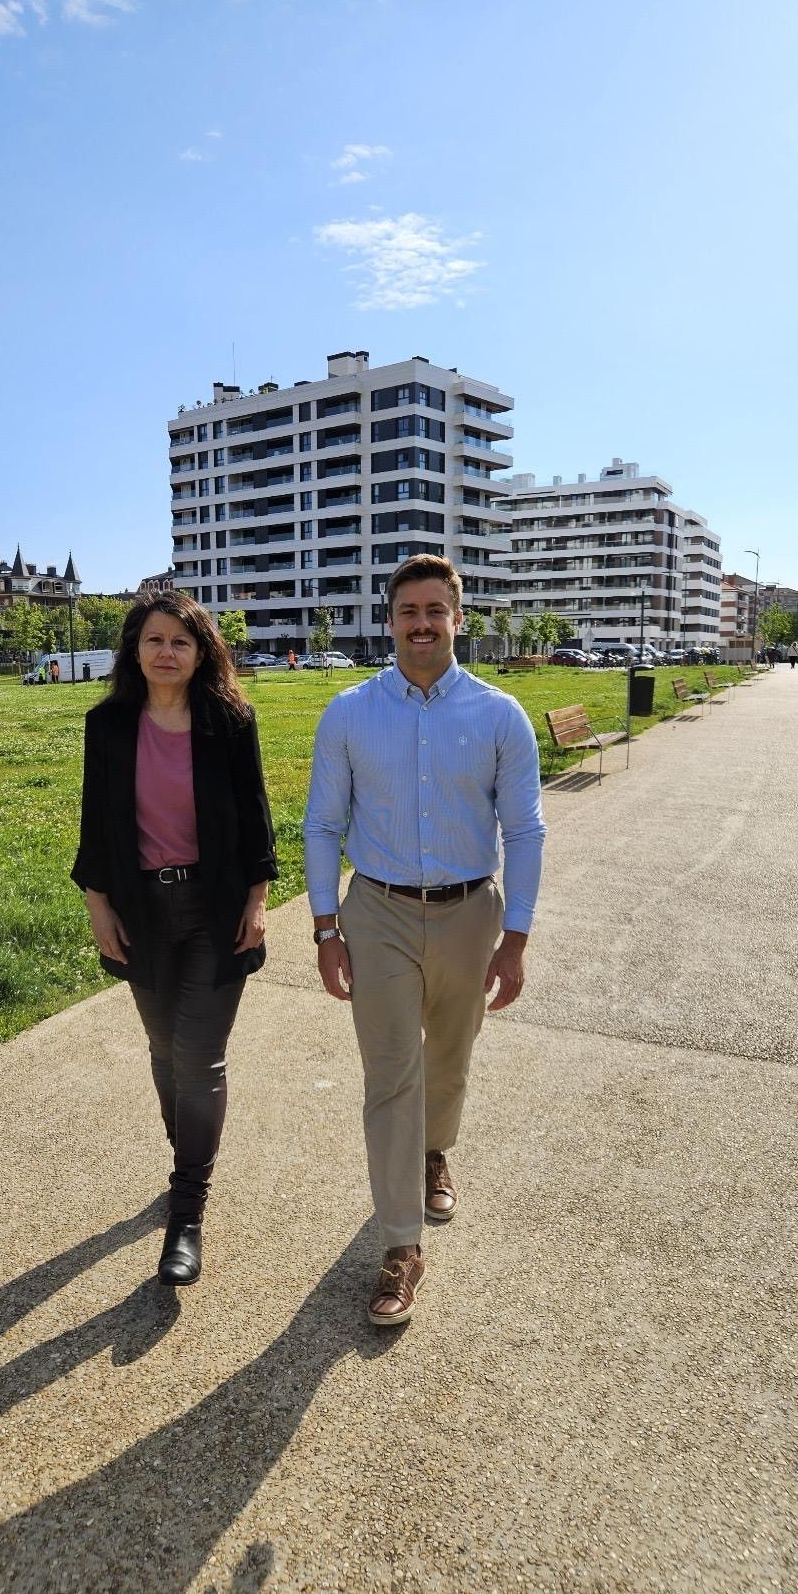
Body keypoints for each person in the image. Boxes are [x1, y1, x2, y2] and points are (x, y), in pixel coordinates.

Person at [304, 555, 545, 1327]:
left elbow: (525, 830)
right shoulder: (349, 713)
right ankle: (401, 1245)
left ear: (458, 619)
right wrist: (325, 927)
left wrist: (515, 937)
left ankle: (435, 1149)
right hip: (377, 912)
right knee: (390, 1075)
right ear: (389, 620)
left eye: (435, 610)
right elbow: (323, 824)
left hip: (471, 912)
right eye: (408, 610)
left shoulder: (499, 715)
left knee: (449, 1058)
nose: (421, 624)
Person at [71, 592, 277, 1287]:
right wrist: (99, 906)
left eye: (180, 642)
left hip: (216, 908)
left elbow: (255, 817)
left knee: (199, 1057)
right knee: (164, 1050)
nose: (166, 652)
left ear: (200, 653)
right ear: (134, 650)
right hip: (141, 910)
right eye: (154, 640)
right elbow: (95, 823)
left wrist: (258, 899)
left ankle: (187, 1209)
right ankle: (186, 1155)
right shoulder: (107, 725)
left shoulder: (229, 721)